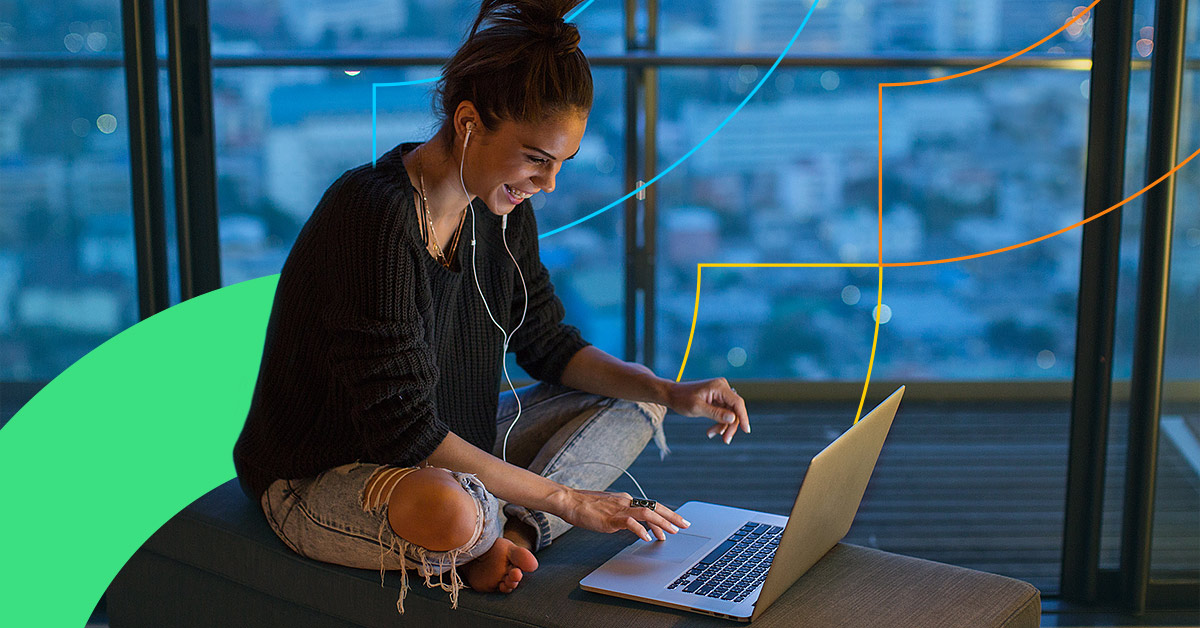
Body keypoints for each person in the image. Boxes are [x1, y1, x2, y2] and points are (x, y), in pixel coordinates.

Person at [232, 0, 751, 614]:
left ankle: (513, 534)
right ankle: (491, 532)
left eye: (561, 164)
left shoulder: (503, 212)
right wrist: (570, 500)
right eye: (536, 159)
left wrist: (669, 390)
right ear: (470, 121)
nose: (548, 183)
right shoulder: (375, 216)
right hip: (324, 476)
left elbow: (547, 344)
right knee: (458, 513)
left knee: (636, 407)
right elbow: (406, 434)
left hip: (451, 450)